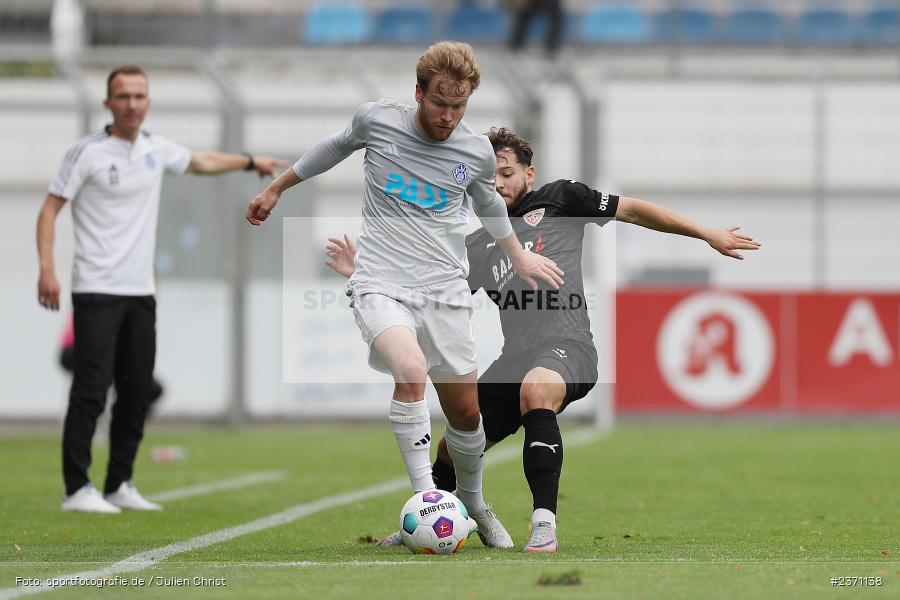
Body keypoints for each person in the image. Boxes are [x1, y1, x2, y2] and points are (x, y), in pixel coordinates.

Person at [325, 126, 761, 552]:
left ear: (528, 174)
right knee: (453, 445)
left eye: (506, 173)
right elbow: (428, 292)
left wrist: (707, 233)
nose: (496, 184)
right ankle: (428, 521)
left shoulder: (560, 199)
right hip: (514, 357)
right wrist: (362, 277)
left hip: (569, 346)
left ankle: (543, 526)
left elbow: (634, 210)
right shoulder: (475, 245)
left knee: (536, 390)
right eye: (487, 176)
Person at [246, 42, 563, 549]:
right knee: (410, 373)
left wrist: (518, 256)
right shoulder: (378, 122)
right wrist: (277, 188)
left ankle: (474, 504)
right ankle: (428, 503)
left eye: (459, 107)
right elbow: (332, 146)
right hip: (381, 284)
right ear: (418, 91)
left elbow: (489, 206)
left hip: (443, 290)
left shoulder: (475, 151)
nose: (448, 116)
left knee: (466, 416)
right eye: (439, 103)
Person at [37, 65, 286, 513]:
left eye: (139, 96)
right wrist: (47, 269)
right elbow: (49, 210)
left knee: (135, 391)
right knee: (91, 390)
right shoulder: (87, 153)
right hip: (95, 289)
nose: (132, 103)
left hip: (141, 292)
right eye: (123, 96)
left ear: (147, 101)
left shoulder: (155, 148)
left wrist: (250, 162)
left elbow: (200, 161)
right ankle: (77, 489)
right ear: (108, 103)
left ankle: (119, 483)